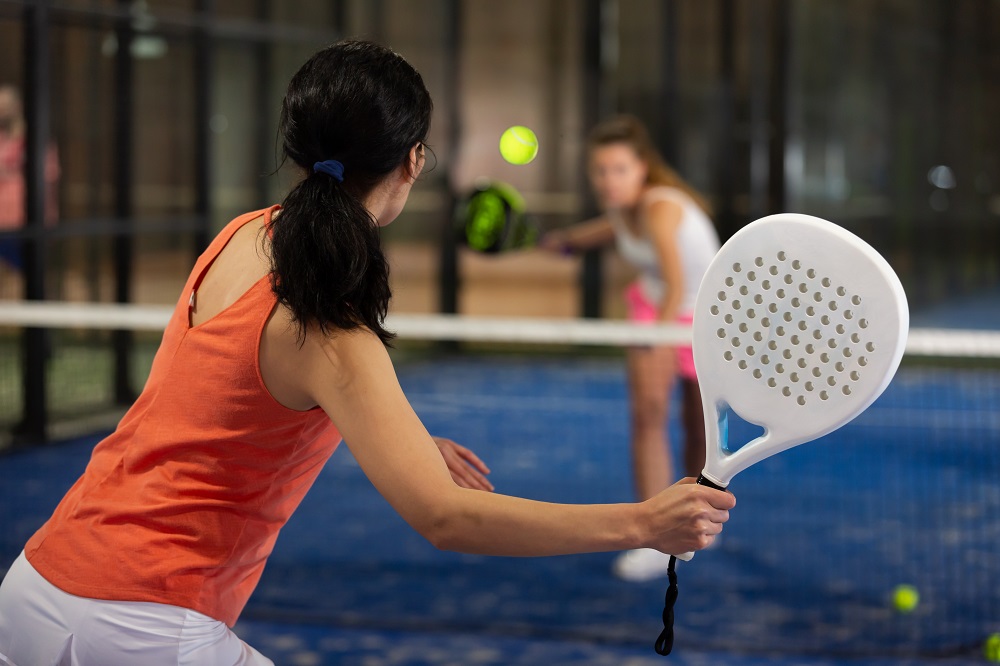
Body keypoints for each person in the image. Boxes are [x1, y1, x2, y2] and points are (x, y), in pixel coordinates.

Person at [0, 42, 734, 665]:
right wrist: (643, 522)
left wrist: (403, 438)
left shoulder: (241, 235)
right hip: (143, 623)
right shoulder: (332, 325)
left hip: (35, 585)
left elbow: (243, 398)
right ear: (413, 161)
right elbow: (447, 519)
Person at [541, 115, 722, 582]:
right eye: (600, 170)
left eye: (619, 169)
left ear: (642, 168)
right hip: (654, 306)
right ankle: (655, 537)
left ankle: (697, 521)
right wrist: (559, 243)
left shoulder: (661, 207)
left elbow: (679, 280)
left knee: (697, 429)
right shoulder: (621, 210)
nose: (609, 180)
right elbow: (592, 235)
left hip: (703, 318)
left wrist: (660, 339)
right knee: (647, 415)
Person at [0, 84, 59, 281]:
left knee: (29, 279)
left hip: (26, 220)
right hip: (2, 220)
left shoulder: (34, 140)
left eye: (6, 105)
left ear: (17, 106)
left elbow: (48, 174)